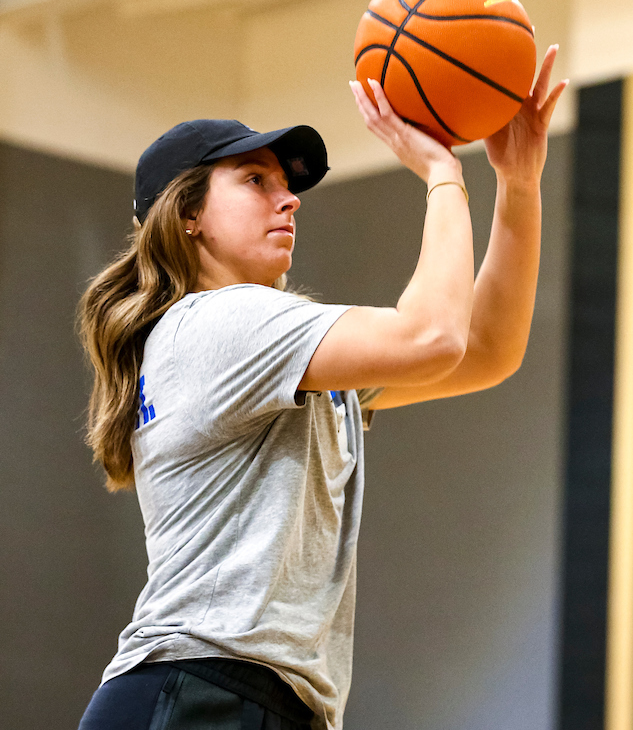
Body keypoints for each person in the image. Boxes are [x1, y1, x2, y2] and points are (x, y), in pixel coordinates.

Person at [75, 47, 567, 730]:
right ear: (185, 214)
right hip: (202, 694)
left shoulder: (269, 350)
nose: (288, 198)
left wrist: (518, 185)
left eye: (286, 183)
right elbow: (432, 337)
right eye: (254, 179)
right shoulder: (220, 324)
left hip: (241, 698)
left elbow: (484, 351)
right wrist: (443, 177)